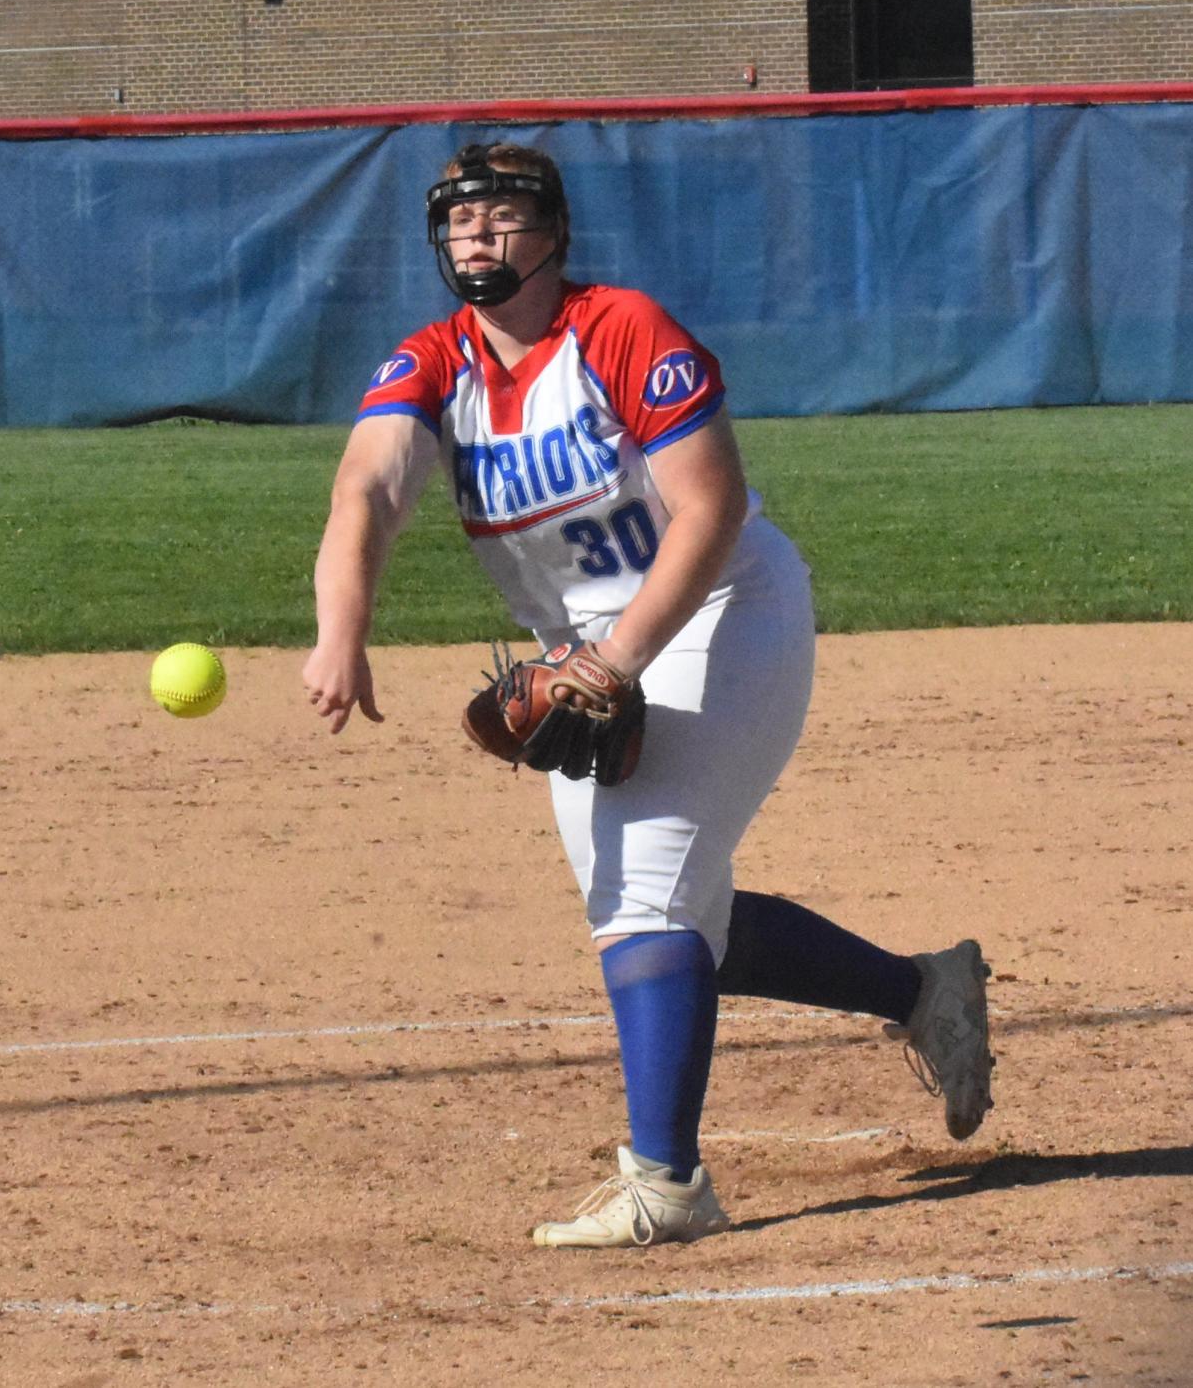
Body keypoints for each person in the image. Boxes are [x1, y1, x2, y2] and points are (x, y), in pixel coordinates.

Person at [302, 141, 994, 1250]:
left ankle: (667, 1183)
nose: (478, 235)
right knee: (678, 911)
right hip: (587, 650)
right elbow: (366, 488)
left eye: (503, 214)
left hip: (722, 608)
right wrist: (344, 630)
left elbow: (709, 511)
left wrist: (615, 660)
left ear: (555, 232)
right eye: (460, 219)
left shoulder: (620, 329)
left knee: (644, 898)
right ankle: (926, 994)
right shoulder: (433, 364)